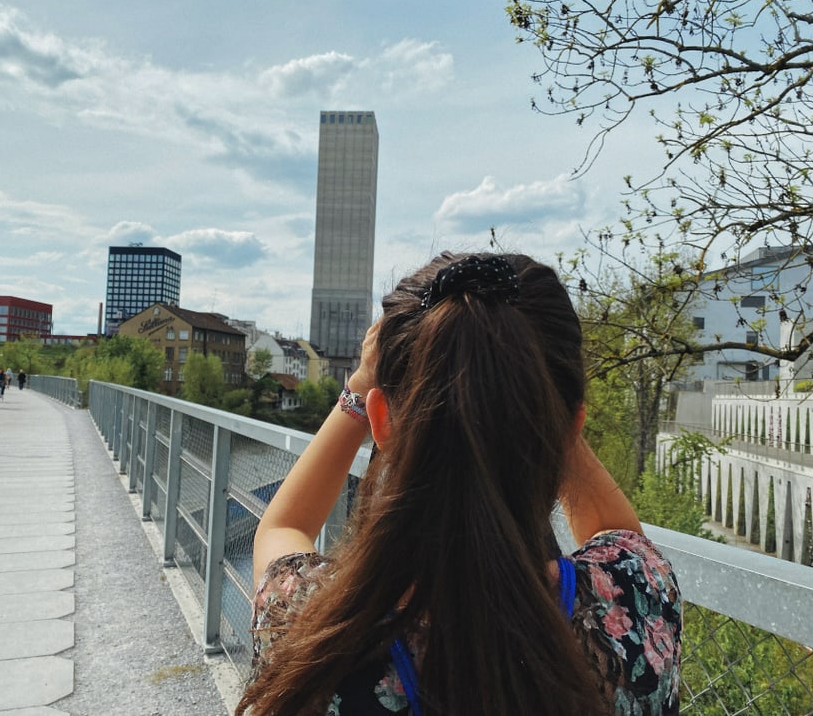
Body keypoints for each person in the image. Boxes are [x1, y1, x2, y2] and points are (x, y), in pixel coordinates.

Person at [238, 253, 681, 716]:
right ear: (568, 429)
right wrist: (535, 399)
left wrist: (359, 386)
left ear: (381, 422)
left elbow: (282, 527)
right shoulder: (635, 603)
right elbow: (616, 530)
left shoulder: (310, 632)